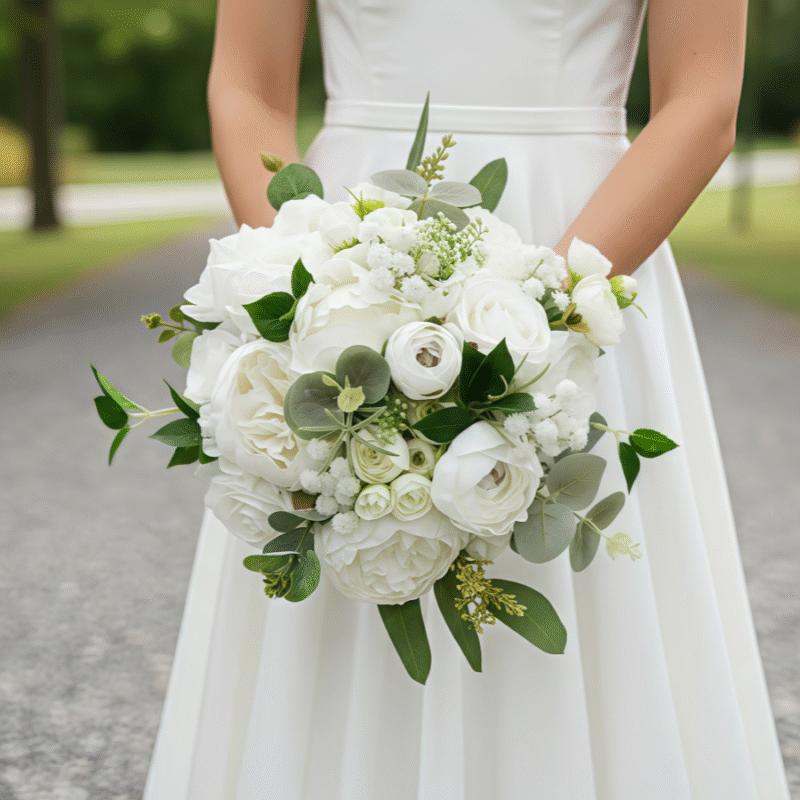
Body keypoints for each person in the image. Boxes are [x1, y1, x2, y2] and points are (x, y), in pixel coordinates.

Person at [143, 1, 792, 798]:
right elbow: (247, 86)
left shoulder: (570, 285)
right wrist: (301, 286)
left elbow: (703, 99)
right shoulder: (324, 267)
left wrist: (547, 314)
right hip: (350, 245)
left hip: (590, 242)